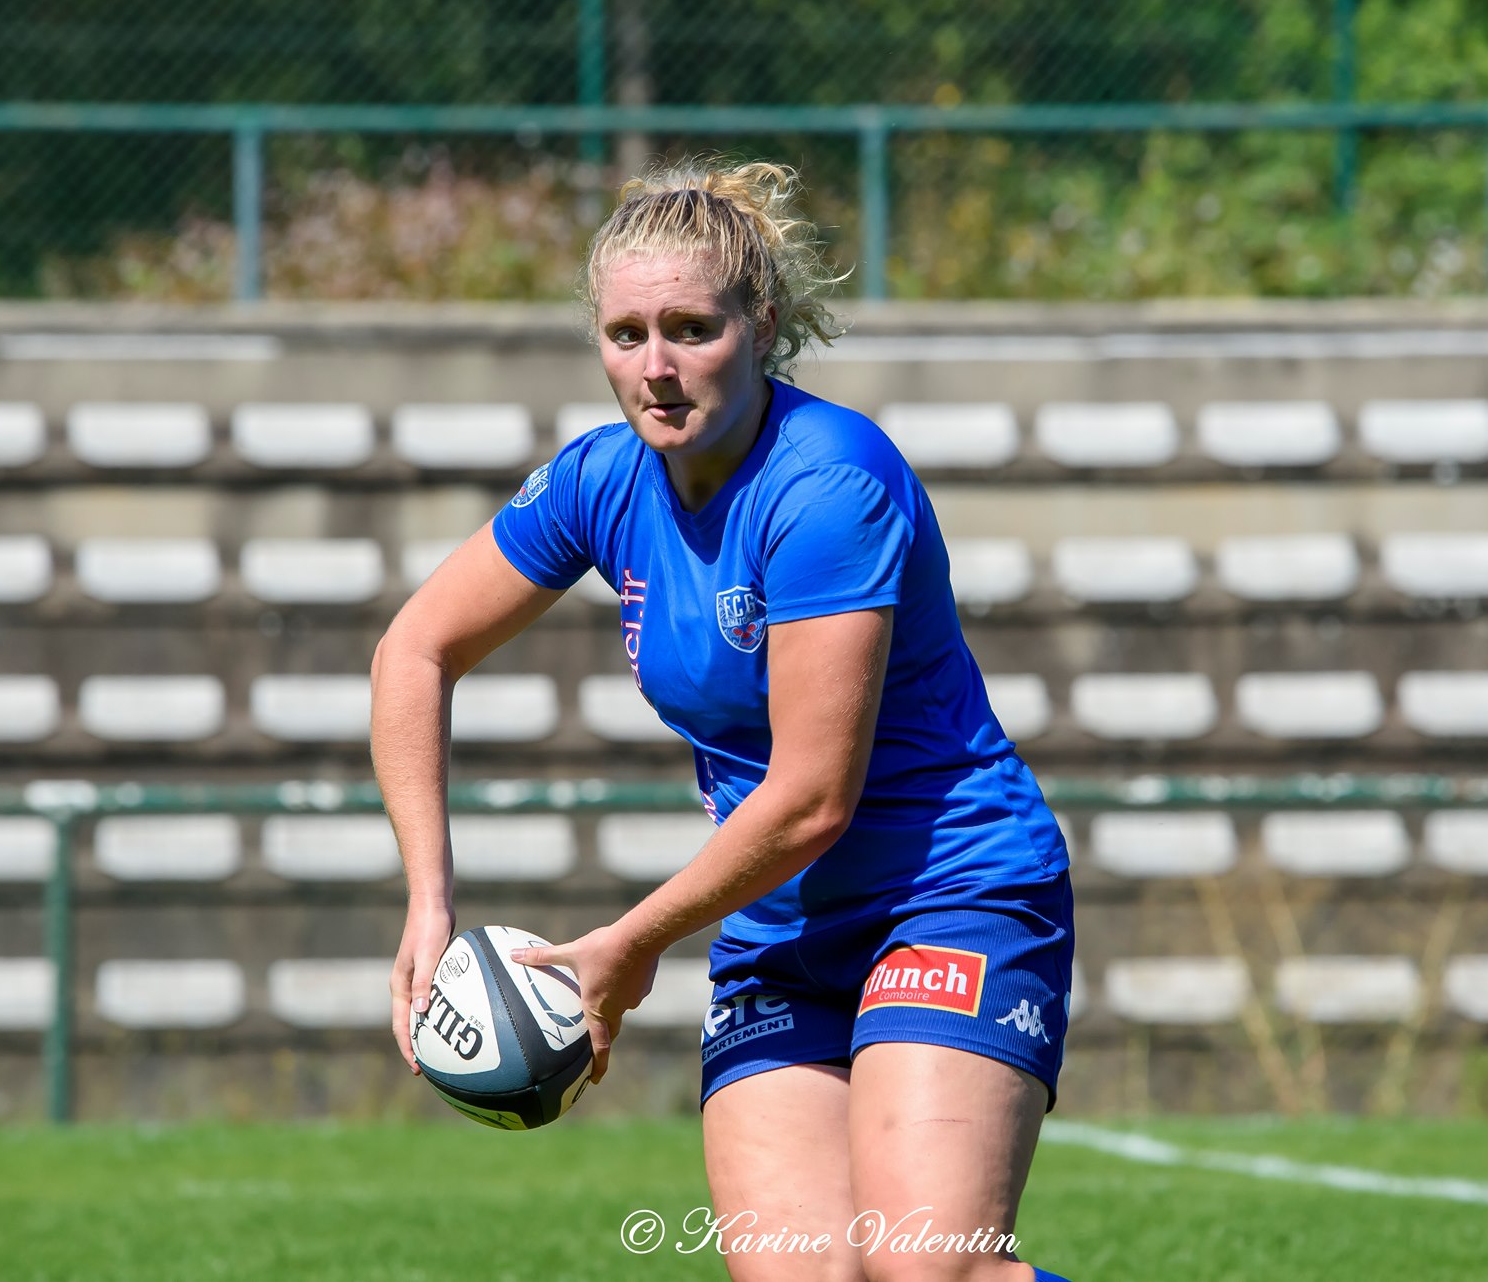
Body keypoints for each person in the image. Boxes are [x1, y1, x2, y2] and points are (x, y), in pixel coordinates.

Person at [371, 159, 1075, 1282]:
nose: (653, 368)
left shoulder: (829, 486)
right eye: (624, 333)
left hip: (947, 893)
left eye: (690, 328)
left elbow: (809, 801)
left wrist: (630, 941)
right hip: (777, 929)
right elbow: (415, 650)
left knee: (925, 1271)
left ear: (765, 325)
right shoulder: (597, 482)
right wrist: (427, 900)